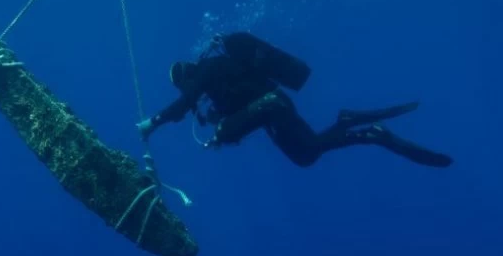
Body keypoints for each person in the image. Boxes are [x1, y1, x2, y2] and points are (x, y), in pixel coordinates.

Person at [137, 32, 453, 168]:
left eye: (182, 87)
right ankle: (355, 125)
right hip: (273, 109)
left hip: (274, 106)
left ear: (185, 77)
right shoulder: (215, 78)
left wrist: (152, 124)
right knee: (306, 155)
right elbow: (231, 102)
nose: (185, 93)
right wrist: (219, 119)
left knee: (227, 133)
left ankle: (370, 133)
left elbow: (182, 108)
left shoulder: (207, 69)